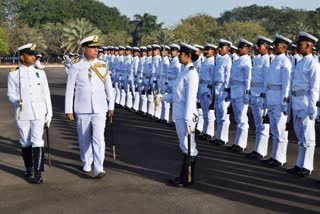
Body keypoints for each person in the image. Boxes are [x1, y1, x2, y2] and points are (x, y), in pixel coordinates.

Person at [65, 35, 115, 178]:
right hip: (82, 108)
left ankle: (99, 167)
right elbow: (70, 90)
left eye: (97, 48)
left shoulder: (103, 65)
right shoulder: (76, 67)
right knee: (84, 137)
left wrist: (111, 105)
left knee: (99, 137)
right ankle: (87, 161)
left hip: (100, 108)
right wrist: (68, 109)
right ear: (85, 49)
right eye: (93, 48)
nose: (96, 50)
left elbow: (109, 87)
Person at [7, 43, 52, 184]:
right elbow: (10, 93)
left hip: (39, 111)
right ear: (22, 56)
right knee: (25, 142)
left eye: (34, 55)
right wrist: (15, 101)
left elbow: (46, 94)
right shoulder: (13, 74)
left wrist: (49, 113)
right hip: (22, 113)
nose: (34, 57)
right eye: (30, 54)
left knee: (37, 140)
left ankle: (38, 174)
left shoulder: (40, 72)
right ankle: (29, 167)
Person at [159, 42, 199, 187]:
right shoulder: (184, 71)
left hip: (186, 115)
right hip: (180, 113)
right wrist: (163, 97)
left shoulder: (192, 73)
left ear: (187, 56)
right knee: (184, 145)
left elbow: (190, 98)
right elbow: (178, 95)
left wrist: (189, 119)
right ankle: (183, 176)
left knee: (189, 146)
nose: (179, 56)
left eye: (181, 54)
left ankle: (188, 178)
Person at [287, 32, 320, 176]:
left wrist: (313, 108)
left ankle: (307, 167)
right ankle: (299, 164)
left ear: (308, 45)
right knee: (300, 136)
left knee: (308, 136)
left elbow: (314, 88)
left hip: (306, 103)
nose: (297, 46)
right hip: (296, 101)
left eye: (300, 44)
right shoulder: (300, 62)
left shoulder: (314, 64)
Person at [262, 34, 292, 167]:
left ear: (284, 46)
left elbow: (286, 84)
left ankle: (280, 158)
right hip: (272, 98)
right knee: (274, 129)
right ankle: (274, 156)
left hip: (280, 99)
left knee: (280, 130)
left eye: (278, 44)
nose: (275, 46)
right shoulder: (274, 60)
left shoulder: (285, 62)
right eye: (275, 44)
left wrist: (284, 102)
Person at [246, 35, 272, 159]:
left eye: (259, 45)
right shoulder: (257, 59)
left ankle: (261, 151)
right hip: (254, 92)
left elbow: (267, 81)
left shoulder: (268, 60)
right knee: (257, 124)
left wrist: (264, 97)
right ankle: (257, 149)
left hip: (261, 94)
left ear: (266, 47)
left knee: (263, 125)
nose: (257, 47)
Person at [227, 38, 252, 152]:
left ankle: (241, 144)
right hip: (235, 90)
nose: (240, 49)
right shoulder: (237, 60)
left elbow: (248, 79)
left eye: (242, 48)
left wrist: (247, 93)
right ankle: (237, 142)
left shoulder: (247, 61)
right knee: (237, 118)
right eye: (239, 47)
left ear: (247, 49)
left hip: (241, 91)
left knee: (242, 118)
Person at [212, 39, 232, 146]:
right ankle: (218, 136)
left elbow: (227, 76)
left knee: (224, 114)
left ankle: (223, 138)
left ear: (227, 49)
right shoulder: (219, 59)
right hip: (217, 88)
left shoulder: (228, 59)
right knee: (218, 113)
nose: (219, 49)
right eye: (219, 47)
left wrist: (227, 90)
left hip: (223, 88)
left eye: (222, 47)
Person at [198, 43, 216, 141]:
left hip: (208, 88)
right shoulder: (205, 62)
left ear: (213, 51)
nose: (206, 51)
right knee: (204, 111)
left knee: (209, 112)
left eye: (208, 50)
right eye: (205, 49)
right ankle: (205, 131)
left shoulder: (213, 62)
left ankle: (210, 133)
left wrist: (211, 91)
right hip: (202, 87)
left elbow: (213, 78)